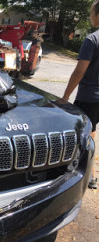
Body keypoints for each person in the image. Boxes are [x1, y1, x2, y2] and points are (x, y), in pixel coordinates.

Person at [59, 0, 99, 189]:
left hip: (89, 97)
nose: (90, 16)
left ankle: (79, 176)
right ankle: (91, 174)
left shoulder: (92, 39)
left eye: (92, 13)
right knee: (91, 131)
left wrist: (65, 97)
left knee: (79, 134)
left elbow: (79, 71)